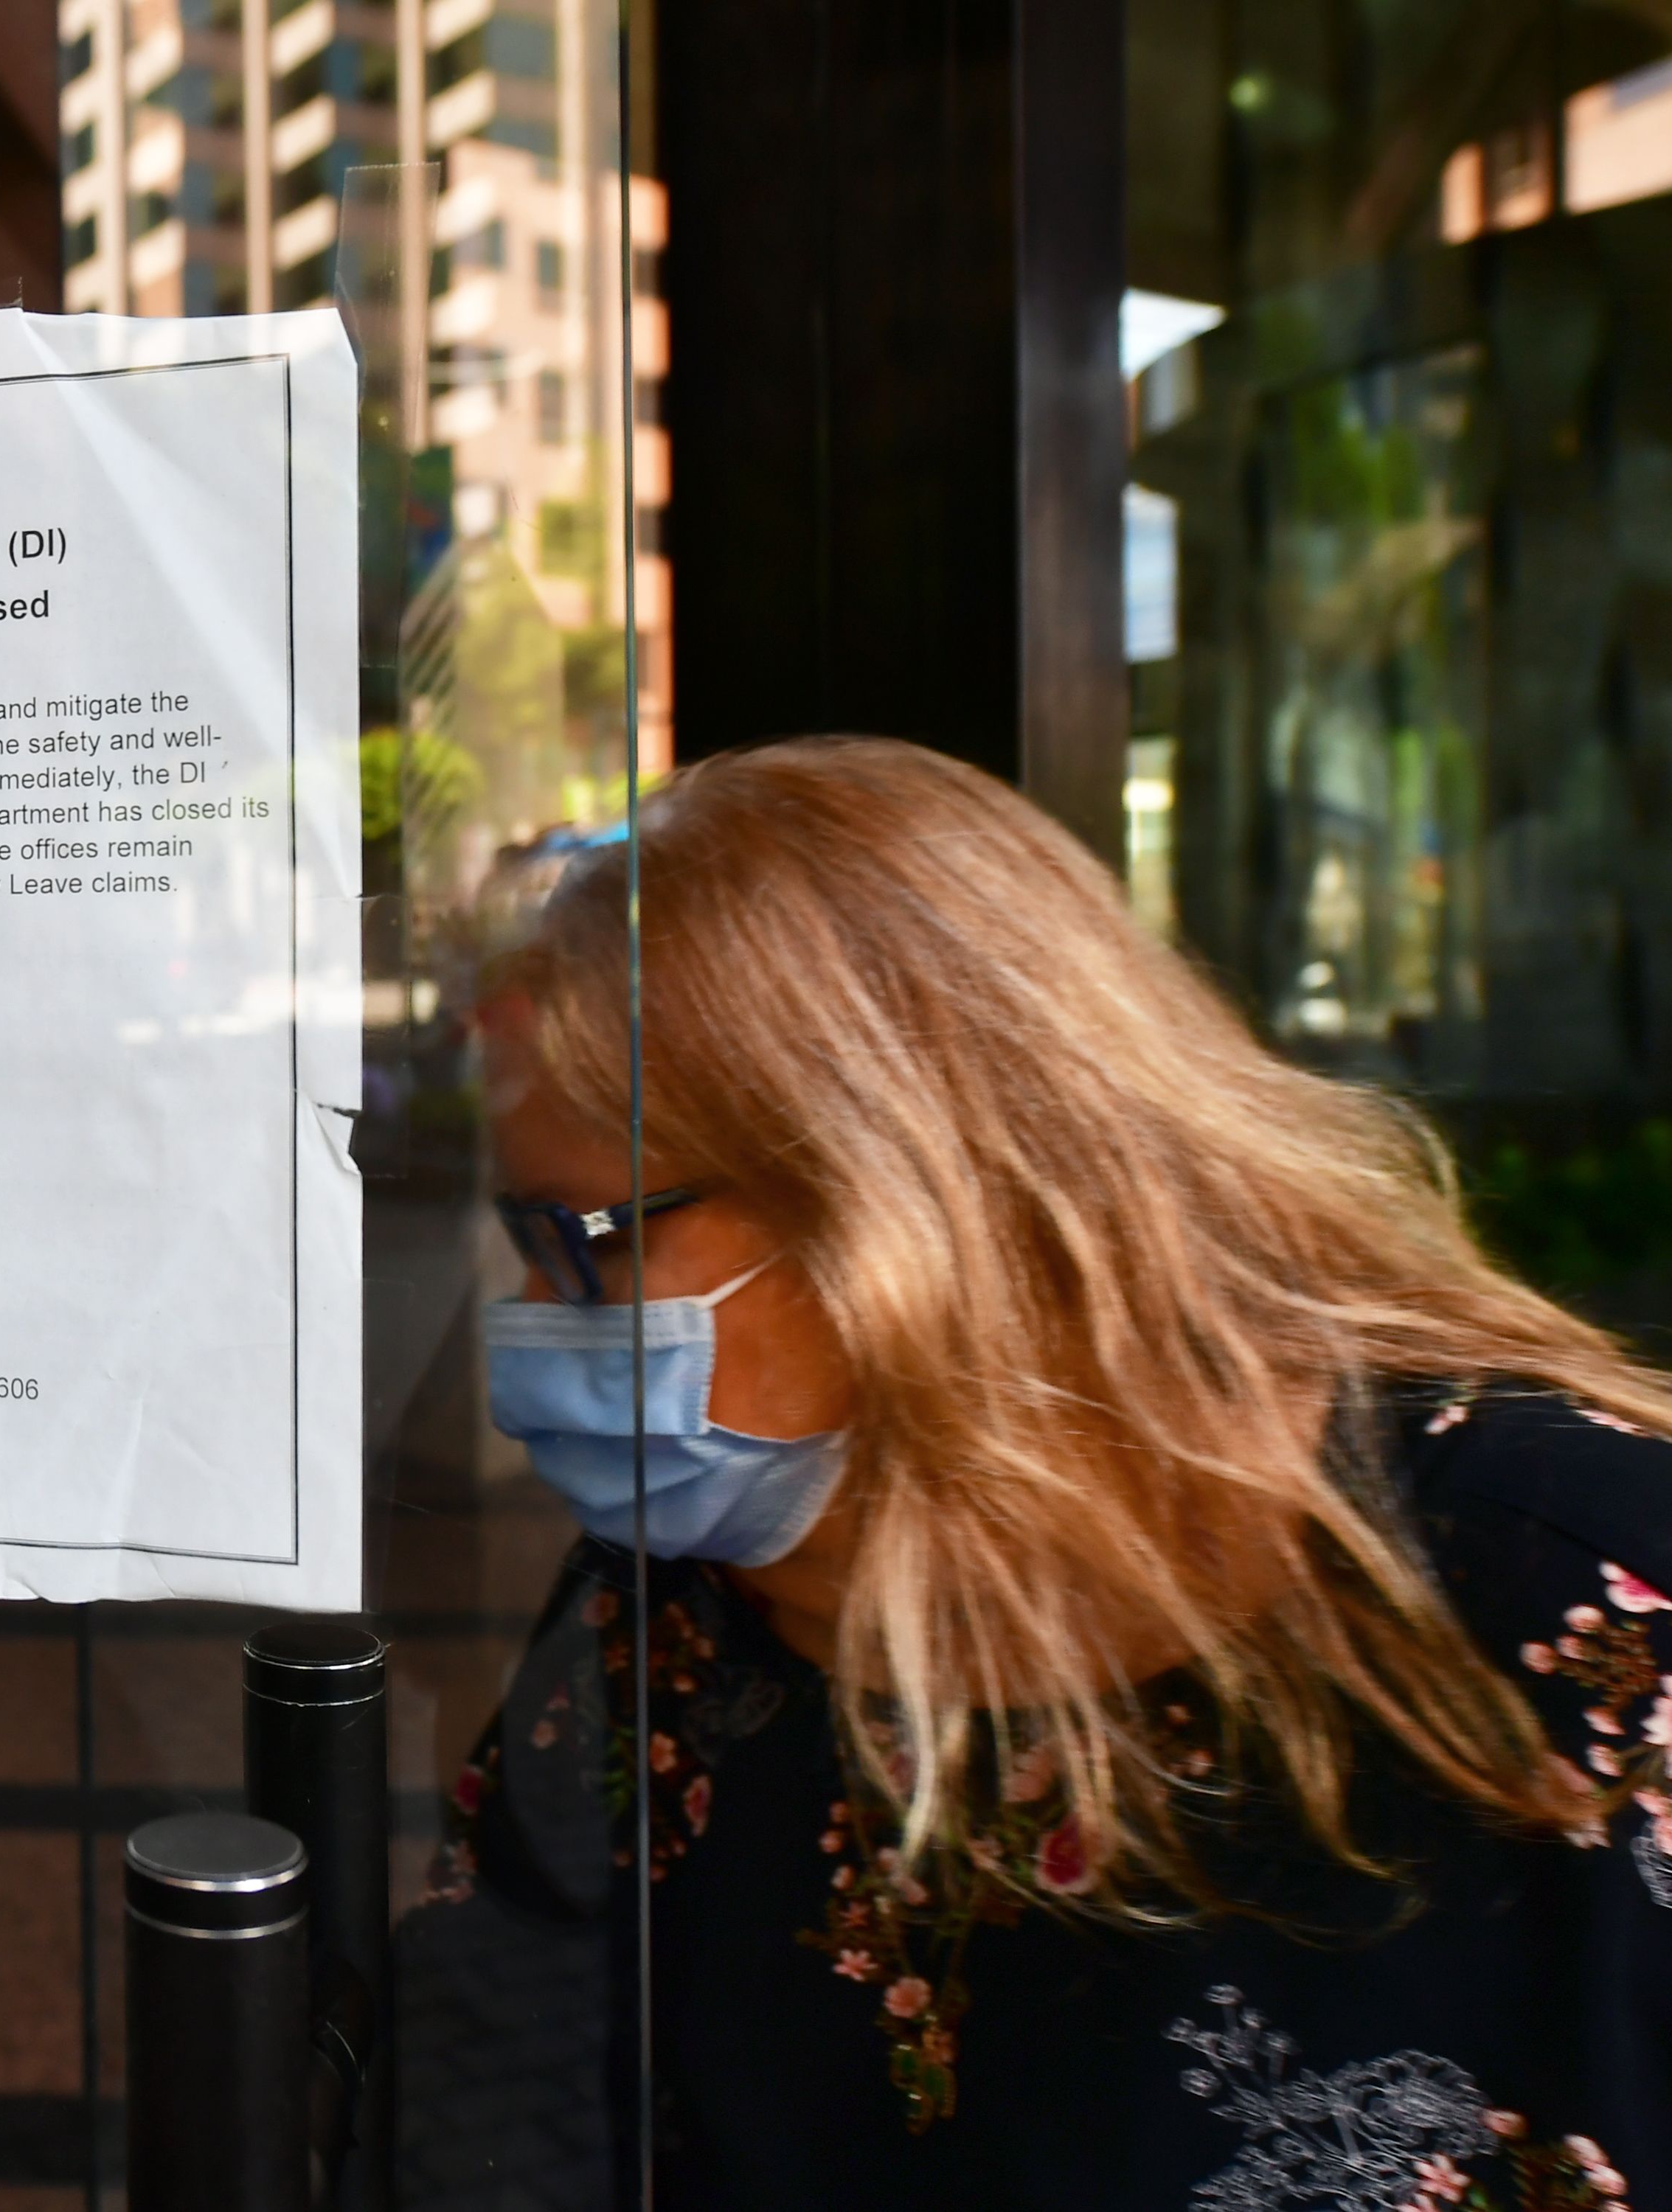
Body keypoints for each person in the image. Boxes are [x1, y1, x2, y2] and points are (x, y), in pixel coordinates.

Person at [415, 738, 1670, 2211]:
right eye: (525, 1242)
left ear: (914, 1188)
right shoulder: (676, 1630)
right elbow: (489, 2114)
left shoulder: (1580, 1605)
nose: (539, 1325)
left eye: (599, 1242)